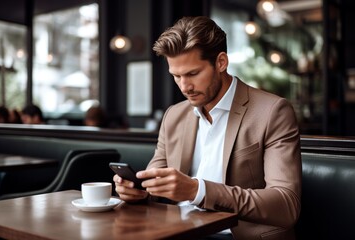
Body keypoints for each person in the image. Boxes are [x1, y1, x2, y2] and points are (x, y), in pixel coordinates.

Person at [113, 16, 301, 240]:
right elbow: (154, 185)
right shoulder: (174, 115)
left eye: (193, 74)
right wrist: (138, 193)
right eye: (176, 76)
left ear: (221, 62)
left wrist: (197, 190)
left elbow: (286, 205)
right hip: (177, 231)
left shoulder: (272, 112)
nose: (185, 87)